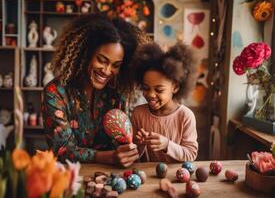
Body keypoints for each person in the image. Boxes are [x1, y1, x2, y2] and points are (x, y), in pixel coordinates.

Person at [42, 13, 149, 167]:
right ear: (86, 54)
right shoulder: (55, 92)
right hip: (71, 178)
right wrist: (109, 157)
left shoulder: (117, 90)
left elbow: (121, 141)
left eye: (116, 65)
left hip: (112, 177)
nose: (107, 71)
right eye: (102, 60)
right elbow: (62, 150)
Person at [131, 42, 199, 162]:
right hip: (149, 177)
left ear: (175, 87)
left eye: (159, 89)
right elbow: (135, 155)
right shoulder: (138, 113)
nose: (151, 94)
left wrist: (167, 145)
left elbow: (191, 155)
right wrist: (140, 144)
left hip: (176, 178)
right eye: (146, 88)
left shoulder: (185, 116)